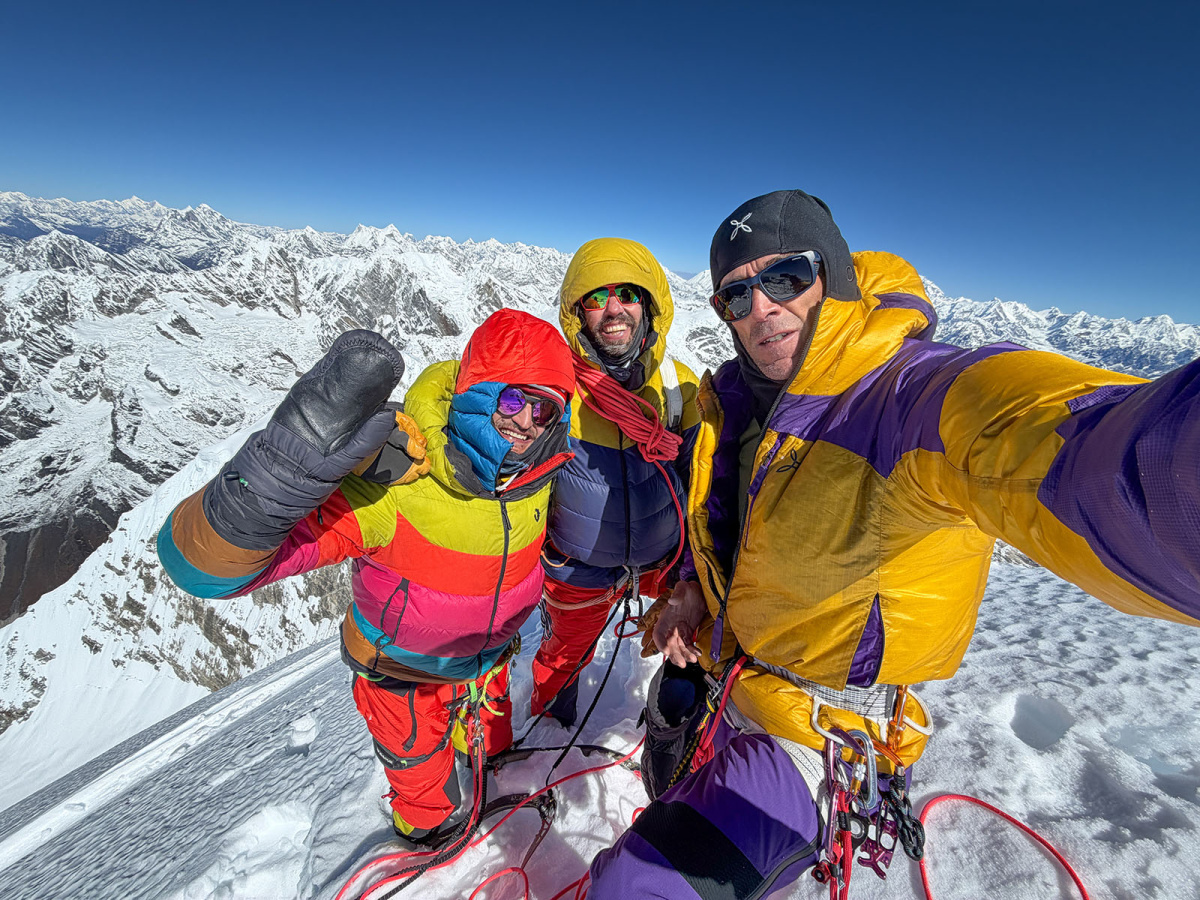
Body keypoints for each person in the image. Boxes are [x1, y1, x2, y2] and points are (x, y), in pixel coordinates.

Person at [589, 189, 1200, 897]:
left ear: (838, 279)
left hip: (821, 736)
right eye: (736, 294)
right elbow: (744, 533)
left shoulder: (905, 397)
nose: (761, 306)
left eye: (786, 276)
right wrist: (695, 590)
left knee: (634, 886)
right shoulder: (732, 407)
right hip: (741, 688)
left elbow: (1085, 450)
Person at [156, 310, 576, 846]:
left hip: (488, 665)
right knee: (421, 776)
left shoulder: (537, 477)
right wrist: (283, 474)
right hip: (404, 677)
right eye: (512, 399)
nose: (525, 422)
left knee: (490, 743)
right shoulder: (396, 484)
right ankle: (422, 833)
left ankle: (489, 771)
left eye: (544, 409)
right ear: (476, 390)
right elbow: (202, 569)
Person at [528, 238, 700, 727]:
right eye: (596, 298)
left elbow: (706, 483)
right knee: (562, 660)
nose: (613, 309)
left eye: (626, 292)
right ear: (577, 313)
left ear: (648, 304)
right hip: (577, 565)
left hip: (662, 559)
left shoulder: (678, 388)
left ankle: (677, 725)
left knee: (693, 637)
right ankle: (546, 734)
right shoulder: (554, 389)